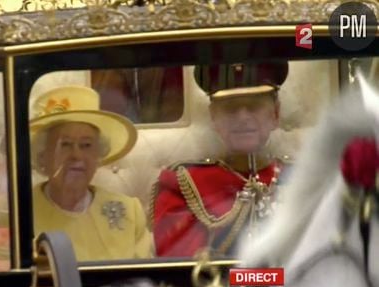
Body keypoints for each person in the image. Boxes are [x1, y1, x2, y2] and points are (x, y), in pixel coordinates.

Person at [151, 61, 289, 258]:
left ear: (275, 114)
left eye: (254, 106)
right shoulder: (183, 184)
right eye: (231, 108)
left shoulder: (303, 177)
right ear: (214, 118)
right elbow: (179, 269)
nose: (243, 117)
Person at [30, 86, 154, 261]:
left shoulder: (129, 212)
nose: (77, 155)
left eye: (86, 145)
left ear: (98, 156)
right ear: (42, 156)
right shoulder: (19, 213)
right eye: (65, 144)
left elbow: (142, 282)